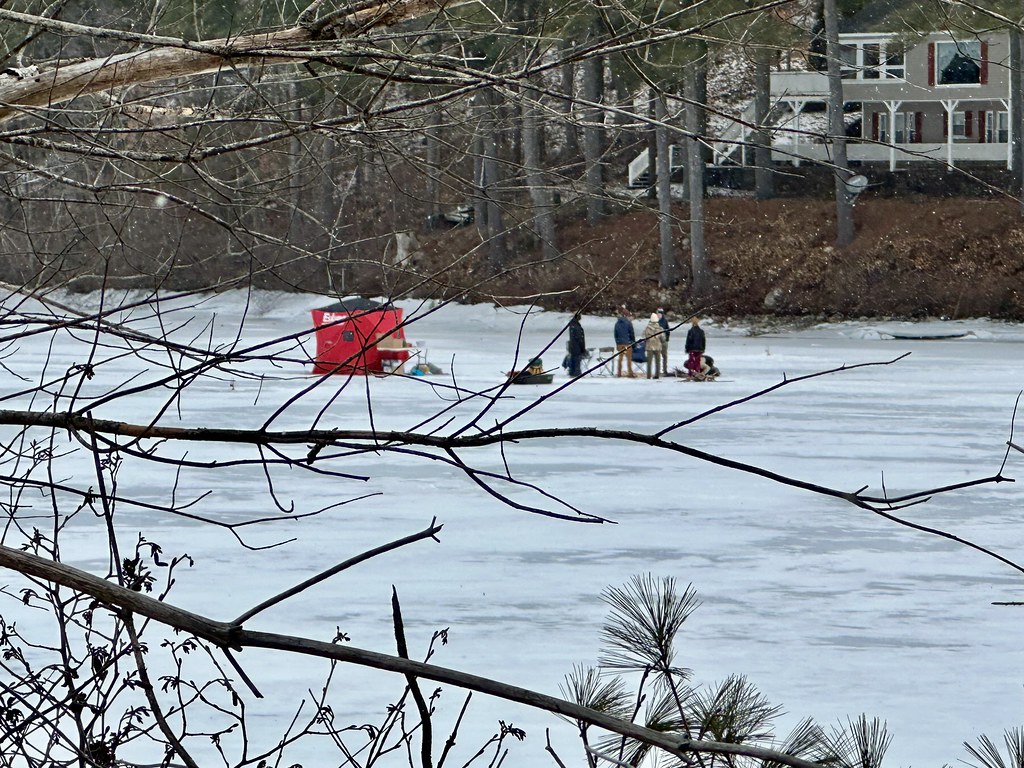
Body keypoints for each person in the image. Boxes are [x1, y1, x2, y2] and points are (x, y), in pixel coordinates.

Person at [613, 307, 636, 378]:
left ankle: (619, 372)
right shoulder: (628, 323)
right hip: (627, 343)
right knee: (629, 359)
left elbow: (615, 334)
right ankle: (630, 372)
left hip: (620, 343)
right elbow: (631, 333)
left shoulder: (617, 323)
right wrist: (633, 342)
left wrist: (617, 343)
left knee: (620, 359)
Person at [643, 313, 664, 379]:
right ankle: (657, 375)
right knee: (658, 362)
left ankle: (648, 375)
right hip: (658, 347)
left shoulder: (647, 328)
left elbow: (644, 336)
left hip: (649, 347)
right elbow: (663, 339)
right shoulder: (660, 328)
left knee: (649, 362)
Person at [566, 313, 586, 378]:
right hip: (576, 346)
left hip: (572, 345)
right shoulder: (576, 326)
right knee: (576, 359)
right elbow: (579, 338)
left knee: (573, 359)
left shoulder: (572, 324)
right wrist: (582, 347)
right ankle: (576, 373)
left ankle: (572, 371)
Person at [656, 308, 670, 373]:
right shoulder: (654, 321)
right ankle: (658, 370)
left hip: (664, 341)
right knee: (657, 356)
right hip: (657, 341)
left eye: (659, 313)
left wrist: (667, 338)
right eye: (657, 313)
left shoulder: (665, 321)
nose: (658, 315)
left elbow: (668, 330)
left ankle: (665, 369)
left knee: (664, 356)